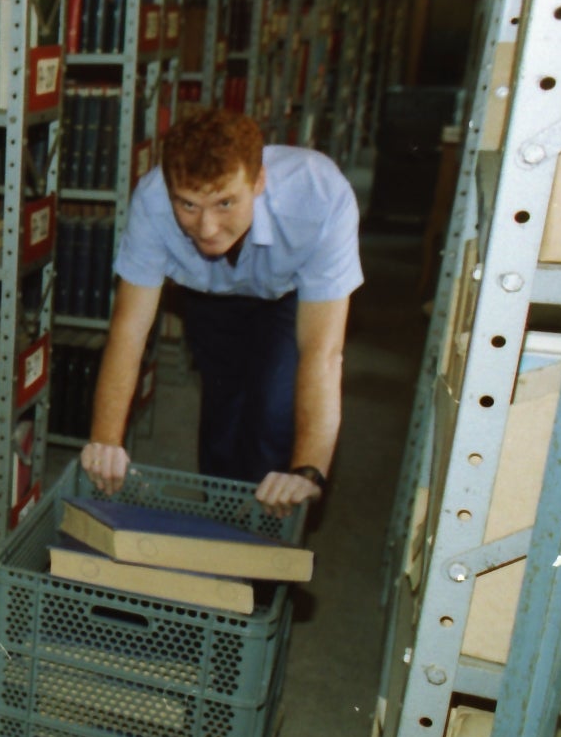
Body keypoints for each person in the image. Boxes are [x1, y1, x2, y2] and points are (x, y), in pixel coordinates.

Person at [78, 109, 361, 517]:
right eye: (189, 205)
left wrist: (309, 470)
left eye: (225, 202)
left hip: (289, 297)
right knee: (223, 413)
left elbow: (323, 352)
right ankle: (221, 526)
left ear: (259, 181)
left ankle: (267, 547)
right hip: (210, 295)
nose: (207, 228)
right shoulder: (153, 199)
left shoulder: (320, 195)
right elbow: (129, 331)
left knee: (273, 414)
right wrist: (106, 441)